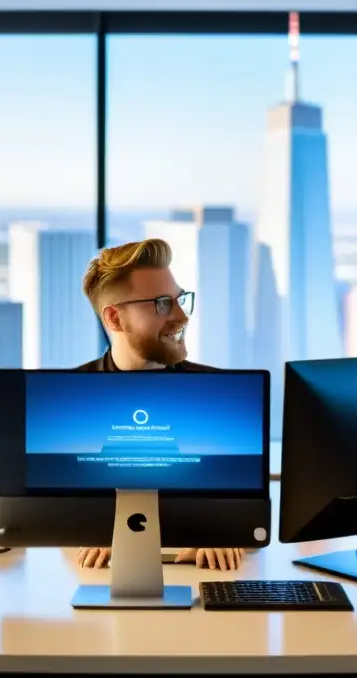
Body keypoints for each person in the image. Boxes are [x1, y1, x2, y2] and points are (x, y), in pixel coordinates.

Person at [74, 238, 244, 571]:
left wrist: (230, 532)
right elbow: (50, 514)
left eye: (180, 301)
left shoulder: (221, 397)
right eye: (163, 304)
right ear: (114, 318)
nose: (182, 317)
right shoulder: (67, 402)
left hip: (200, 580)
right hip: (103, 582)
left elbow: (244, 508)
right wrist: (81, 531)